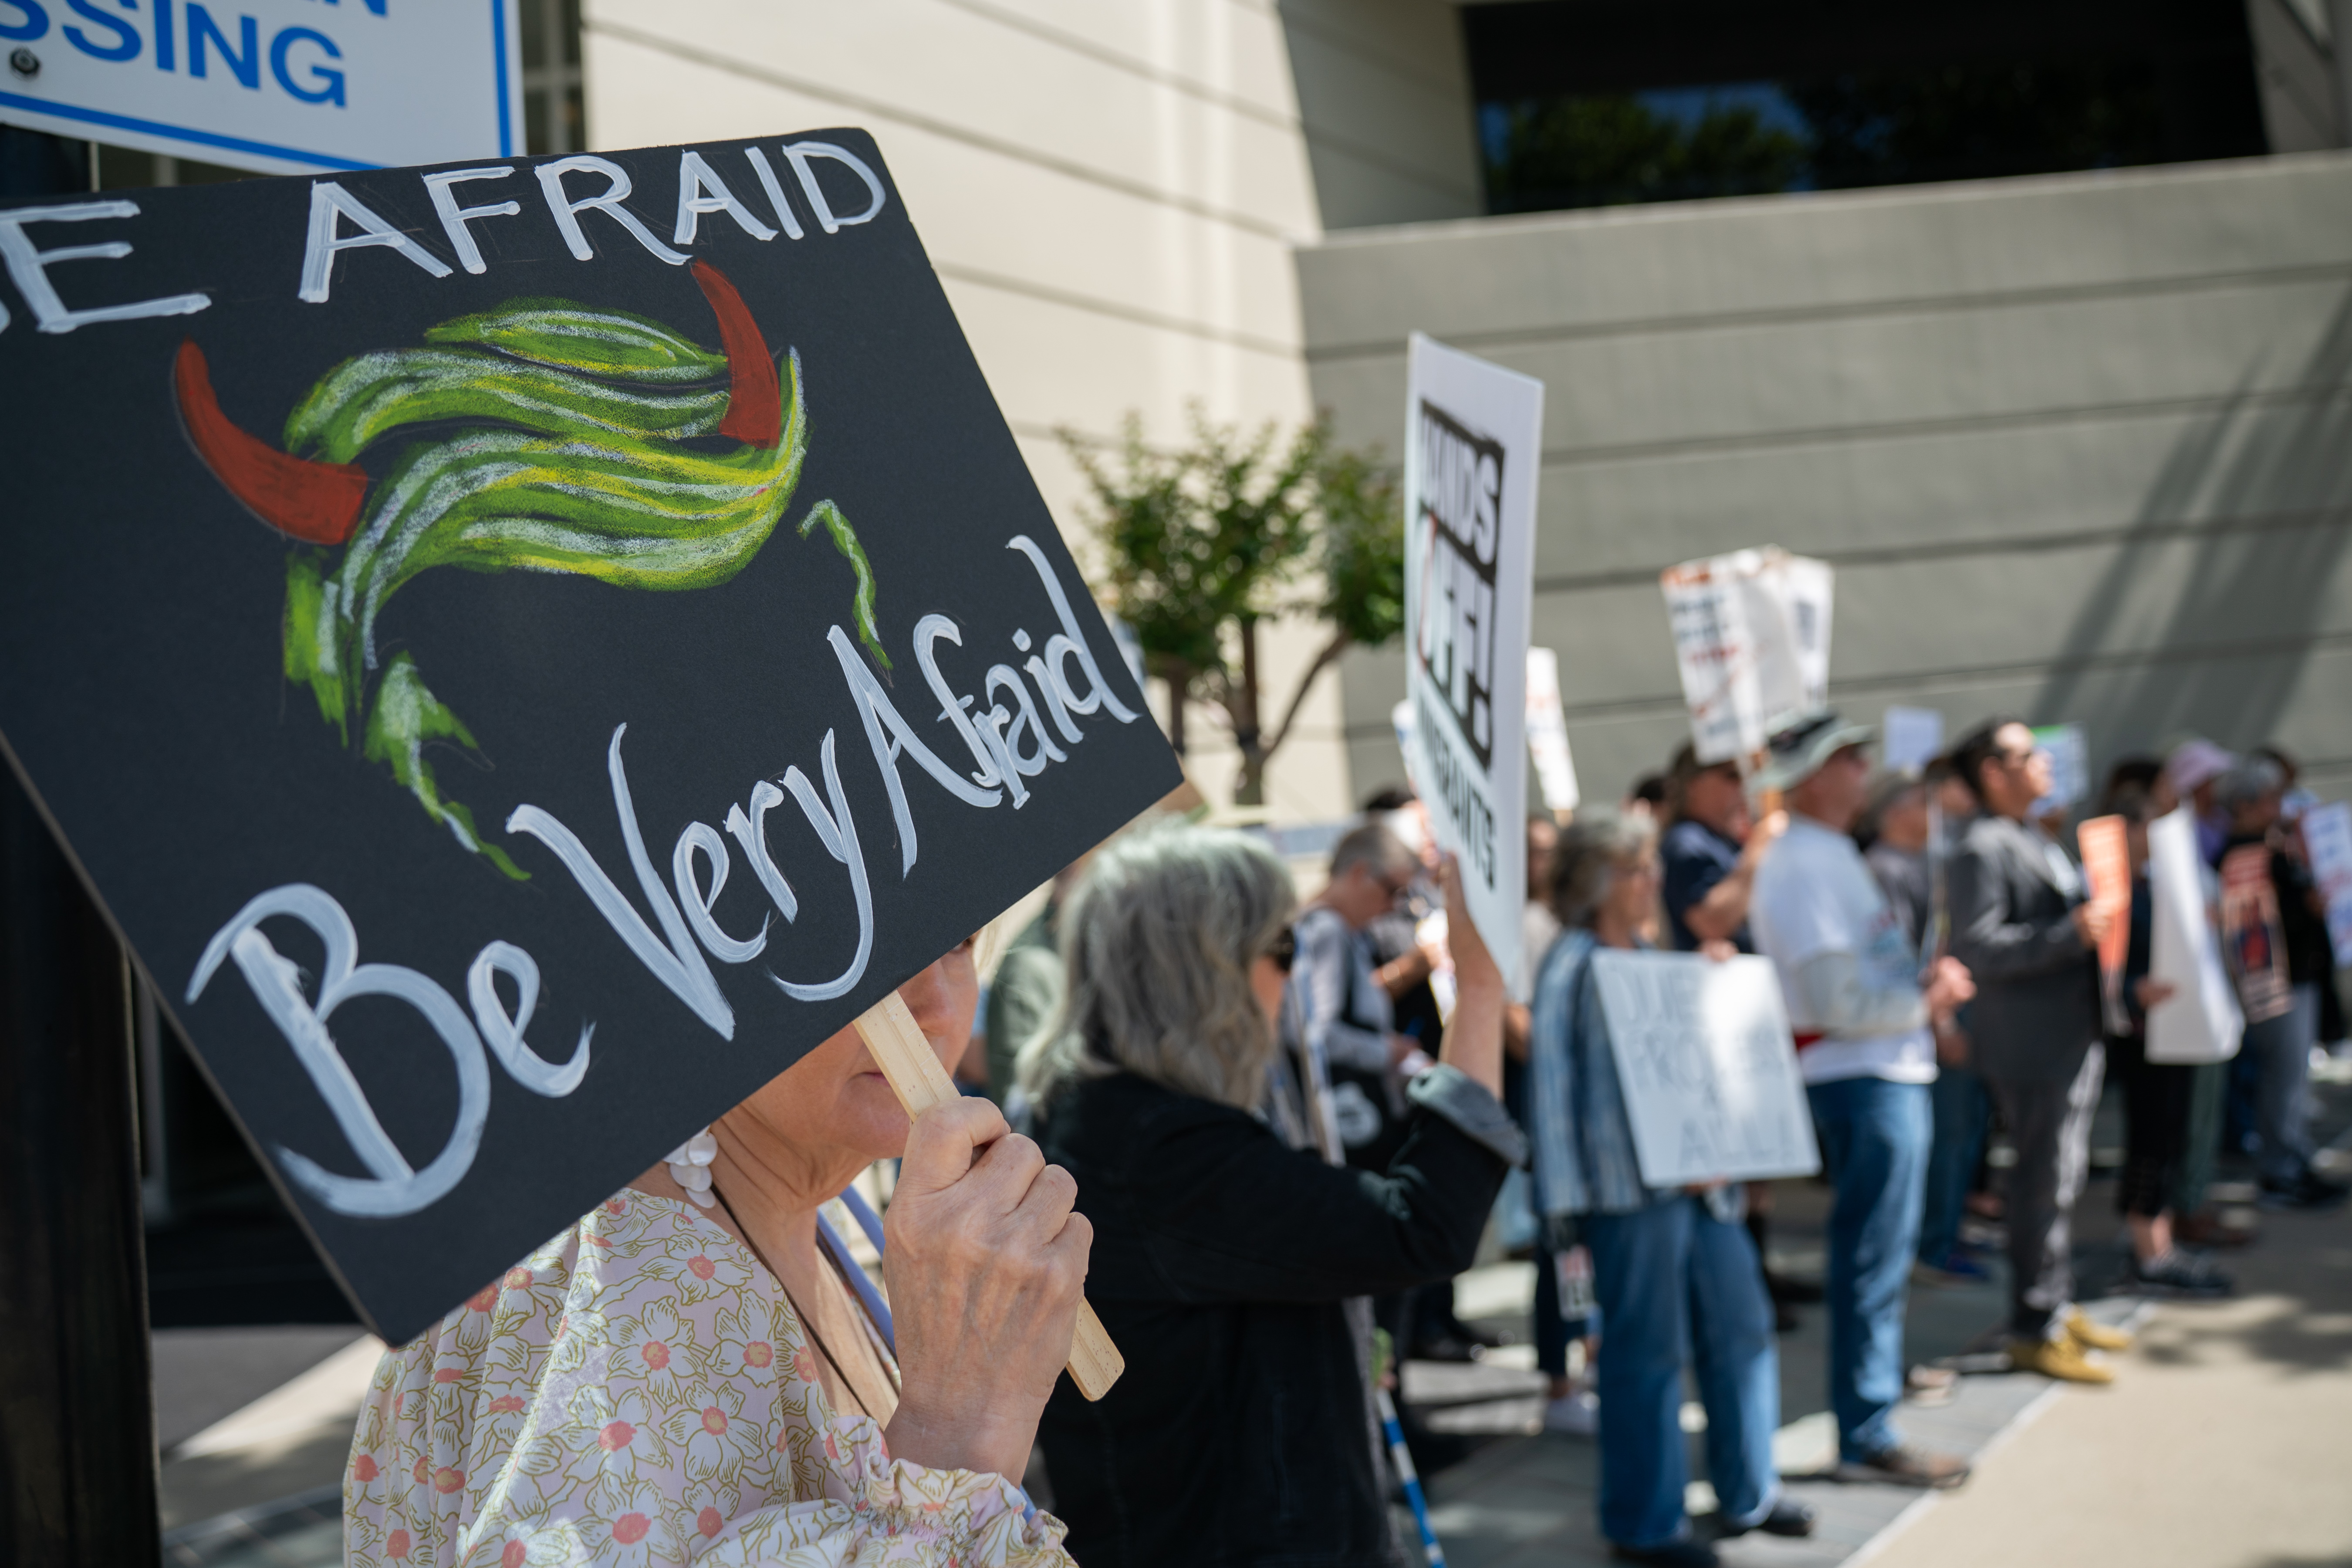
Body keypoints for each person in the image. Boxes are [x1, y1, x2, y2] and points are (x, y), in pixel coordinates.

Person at [343, 945, 1088, 1566]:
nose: (934, 1007)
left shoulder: (805, 1209)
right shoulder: (630, 1292)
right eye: (847, 940)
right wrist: (959, 1427)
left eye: (957, 942)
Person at [1023, 826, 1523, 1568]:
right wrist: (1479, 988)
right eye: (1281, 950)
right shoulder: (1161, 1147)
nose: (1291, 977)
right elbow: (1420, 1226)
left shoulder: (1112, 1115)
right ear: (1203, 973)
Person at [1529, 808, 1811, 1565]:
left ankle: (1748, 1489)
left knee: (1742, 1329)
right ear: (1593, 884)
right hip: (1628, 1199)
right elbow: (1553, 1097)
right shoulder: (1572, 967)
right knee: (1646, 1356)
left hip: (1702, 1188)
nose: (1650, 881)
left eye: (1649, 867)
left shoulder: (1655, 954)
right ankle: (1645, 1526)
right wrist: (1564, 1214)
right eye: (1633, 870)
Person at [1747, 713, 1976, 1486]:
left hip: (1875, 1074)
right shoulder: (1805, 860)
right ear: (1811, 777)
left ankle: (1868, 1420)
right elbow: (1837, 1000)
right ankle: (1867, 1429)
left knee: (1876, 1259)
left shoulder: (1823, 853)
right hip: (1862, 1078)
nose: (1862, 767)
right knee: (1872, 1262)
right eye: (1846, 757)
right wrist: (1927, 1000)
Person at [1947, 717, 2133, 1384]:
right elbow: (1979, 947)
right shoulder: (1980, 847)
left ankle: (2055, 1302)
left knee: (2059, 1180)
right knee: (2040, 1181)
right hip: (2031, 1042)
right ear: (1993, 772)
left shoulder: (2031, 834)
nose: (2045, 764)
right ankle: (2033, 1323)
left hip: (2066, 1031)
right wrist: (2069, 933)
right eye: (2029, 755)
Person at [1657, 744, 1808, 1322]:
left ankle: (1755, 1275)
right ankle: (1734, 1290)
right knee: (1730, 1171)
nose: (1739, 787)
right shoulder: (1687, 845)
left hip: (1745, 1016)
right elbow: (1712, 918)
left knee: (1755, 1168)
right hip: (1709, 1025)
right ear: (1691, 782)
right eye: (1727, 777)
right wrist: (1760, 848)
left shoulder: (1718, 841)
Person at [2101, 786, 2233, 1295]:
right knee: (2151, 1139)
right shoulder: (2116, 891)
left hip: (2171, 1029)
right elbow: (2111, 967)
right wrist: (2135, 990)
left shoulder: (2149, 884)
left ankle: (2154, 1240)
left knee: (2166, 1136)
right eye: (2149, 828)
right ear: (2128, 831)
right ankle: (2149, 1248)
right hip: (2145, 1036)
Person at [1857, 770, 1987, 1286]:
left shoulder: (1918, 863)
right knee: (1943, 1137)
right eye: (1920, 803)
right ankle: (1932, 1244)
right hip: (1916, 1026)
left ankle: (1942, 1233)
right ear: (1894, 812)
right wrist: (1942, 1019)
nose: (1932, 814)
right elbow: (1903, 963)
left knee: (1957, 1134)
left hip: (1927, 1018)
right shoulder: (1885, 869)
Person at [2213, 760, 2346, 1210]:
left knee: (2291, 1077)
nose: (2279, 806)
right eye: (2270, 798)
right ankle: (2280, 1169)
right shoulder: (2244, 856)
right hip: (2277, 984)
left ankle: (2291, 1159)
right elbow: (2257, 930)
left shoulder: (2274, 845)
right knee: (2283, 1077)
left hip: (2295, 979)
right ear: (2246, 805)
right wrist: (2305, 904)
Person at [1506, 812, 1598, 1434]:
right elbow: (1516, 1024)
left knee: (1586, 1250)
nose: (1546, 863)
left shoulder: (1573, 927)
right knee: (1557, 1247)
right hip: (1546, 1109)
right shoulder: (1518, 927)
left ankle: (1588, 1361)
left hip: (1588, 1111)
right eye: (1534, 852)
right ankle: (1556, 1381)